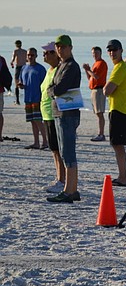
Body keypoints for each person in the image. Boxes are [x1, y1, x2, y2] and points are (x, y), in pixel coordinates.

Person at [46, 34, 82, 203]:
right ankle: (71, 189)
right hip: (60, 113)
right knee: (63, 151)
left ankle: (70, 190)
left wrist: (52, 91)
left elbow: (58, 88)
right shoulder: (61, 65)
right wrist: (52, 89)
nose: (60, 50)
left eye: (63, 47)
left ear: (70, 48)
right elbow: (52, 86)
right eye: (58, 47)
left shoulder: (71, 66)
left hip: (68, 114)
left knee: (68, 152)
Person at [102, 39, 126, 186]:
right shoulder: (119, 67)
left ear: (121, 50)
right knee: (117, 144)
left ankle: (123, 176)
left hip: (120, 110)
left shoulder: (120, 68)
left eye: (115, 50)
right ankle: (122, 176)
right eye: (110, 50)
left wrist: (105, 89)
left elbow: (107, 90)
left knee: (118, 145)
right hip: (119, 109)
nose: (112, 53)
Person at [39, 42, 66, 193]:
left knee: (58, 149)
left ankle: (62, 180)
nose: (45, 55)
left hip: (55, 113)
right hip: (46, 114)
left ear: (55, 54)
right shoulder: (49, 70)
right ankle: (59, 178)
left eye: (47, 52)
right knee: (53, 149)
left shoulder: (58, 70)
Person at [18, 48, 48, 149]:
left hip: (38, 98)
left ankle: (45, 141)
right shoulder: (24, 68)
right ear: (26, 56)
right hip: (28, 98)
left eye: (32, 55)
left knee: (38, 120)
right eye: (29, 55)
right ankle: (36, 142)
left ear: (36, 56)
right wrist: (20, 85)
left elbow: (45, 84)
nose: (30, 57)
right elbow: (21, 81)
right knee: (32, 120)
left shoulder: (40, 69)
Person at [82, 46, 108, 141]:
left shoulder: (102, 63)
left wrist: (88, 70)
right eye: (93, 53)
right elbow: (90, 78)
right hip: (94, 89)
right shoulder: (95, 64)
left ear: (100, 53)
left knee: (100, 113)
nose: (94, 55)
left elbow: (96, 76)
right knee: (97, 113)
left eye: (96, 53)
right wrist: (86, 70)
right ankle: (100, 133)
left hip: (99, 90)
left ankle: (101, 134)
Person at [11, 40, 27, 105]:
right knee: (25, 83)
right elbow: (27, 59)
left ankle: (17, 100)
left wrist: (11, 63)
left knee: (17, 84)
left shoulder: (16, 51)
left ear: (16, 45)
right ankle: (26, 99)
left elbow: (13, 59)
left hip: (18, 67)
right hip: (25, 67)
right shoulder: (25, 51)